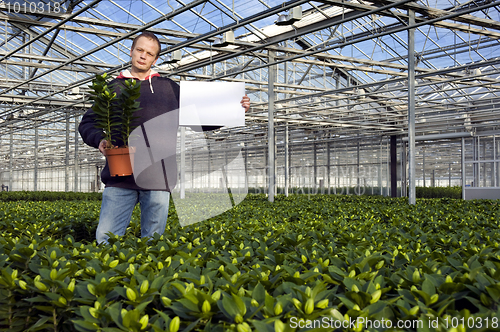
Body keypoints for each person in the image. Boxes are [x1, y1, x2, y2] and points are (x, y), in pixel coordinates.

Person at [79, 31, 250, 244]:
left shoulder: (169, 88)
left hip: (158, 177)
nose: (143, 56)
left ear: (155, 59)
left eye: (149, 53)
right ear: (131, 51)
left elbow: (199, 120)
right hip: (120, 177)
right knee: (105, 238)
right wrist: (99, 141)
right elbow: (87, 123)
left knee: (153, 242)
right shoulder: (112, 88)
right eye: (139, 50)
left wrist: (234, 109)